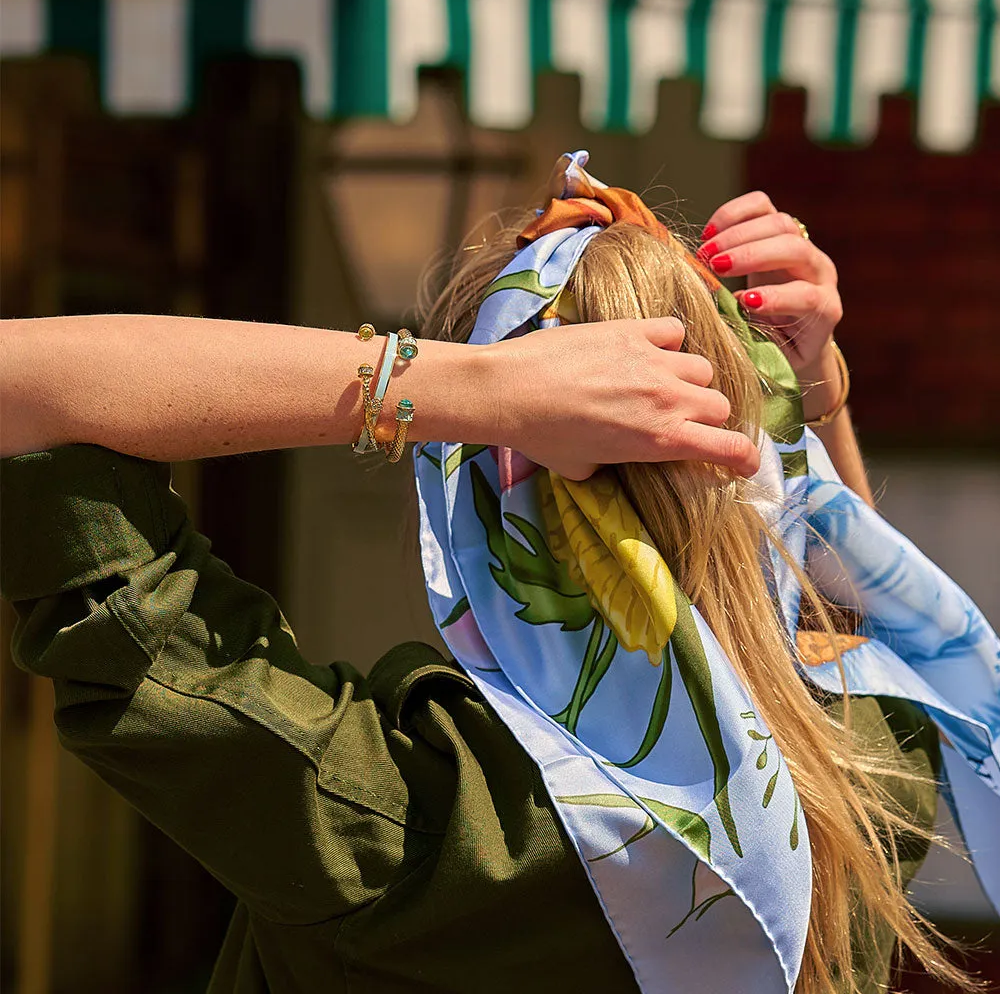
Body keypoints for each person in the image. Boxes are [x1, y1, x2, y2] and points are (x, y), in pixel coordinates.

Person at [0, 152, 996, 994]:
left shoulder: (408, 814)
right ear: (758, 454)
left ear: (494, 468)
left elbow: (19, 390)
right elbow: (826, 618)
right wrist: (813, 399)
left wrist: (450, 384)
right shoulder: (865, 764)